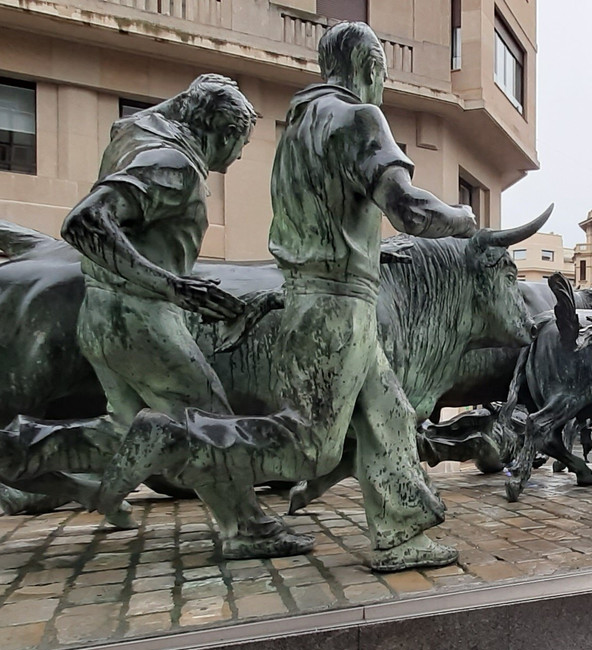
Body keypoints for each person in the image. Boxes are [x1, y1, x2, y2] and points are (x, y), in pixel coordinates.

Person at [96, 22, 478, 571]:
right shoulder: (359, 117)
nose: (382, 87)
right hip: (338, 305)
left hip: (317, 298)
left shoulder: (297, 126)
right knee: (309, 446)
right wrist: (464, 220)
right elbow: (409, 211)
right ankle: (176, 436)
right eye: (382, 76)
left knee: (389, 413)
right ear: (370, 68)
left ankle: (402, 533)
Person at [59, 74, 311, 558]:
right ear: (218, 132)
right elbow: (84, 221)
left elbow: (133, 122)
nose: (236, 158)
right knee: (210, 417)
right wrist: (173, 285)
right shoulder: (171, 163)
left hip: (103, 313)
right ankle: (246, 528)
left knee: (125, 429)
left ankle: (21, 457)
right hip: (140, 317)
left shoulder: (141, 137)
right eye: (238, 143)